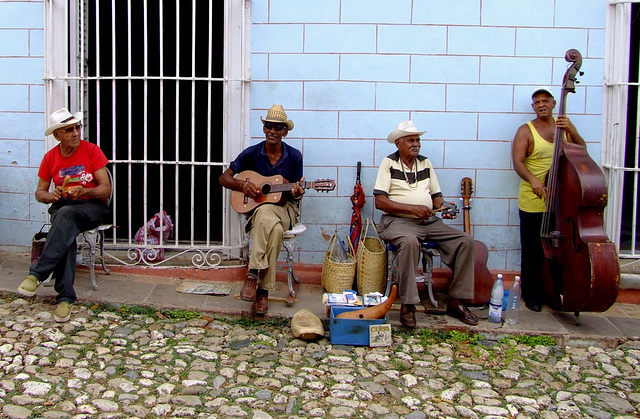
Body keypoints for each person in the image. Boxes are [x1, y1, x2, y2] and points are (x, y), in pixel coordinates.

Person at [374, 121, 478, 327]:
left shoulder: (425, 163)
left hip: (428, 221)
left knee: (466, 241)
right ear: (398, 143)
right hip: (398, 221)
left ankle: (457, 300)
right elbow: (380, 201)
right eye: (411, 140)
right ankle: (409, 305)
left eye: (418, 140)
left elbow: (437, 197)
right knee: (410, 242)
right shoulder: (389, 163)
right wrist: (412, 209)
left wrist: (445, 207)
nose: (416, 144)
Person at [18, 108, 112, 322]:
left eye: (77, 127)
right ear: (57, 135)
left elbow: (105, 189)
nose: (76, 133)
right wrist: (52, 195)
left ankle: (38, 273)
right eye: (69, 130)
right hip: (63, 208)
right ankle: (65, 299)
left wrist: (84, 190)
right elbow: (39, 193)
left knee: (65, 216)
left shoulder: (91, 151)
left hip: (91, 207)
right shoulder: (50, 158)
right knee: (65, 227)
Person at [219, 104, 305, 315]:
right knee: (271, 225)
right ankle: (263, 293)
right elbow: (224, 178)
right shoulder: (252, 153)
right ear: (264, 129)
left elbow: (297, 191)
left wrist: (298, 191)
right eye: (268, 126)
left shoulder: (294, 157)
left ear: (285, 132)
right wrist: (242, 185)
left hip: (285, 209)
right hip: (257, 211)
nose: (272, 131)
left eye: (277, 127)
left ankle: (253, 273)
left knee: (269, 216)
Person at [512, 87, 586, 312]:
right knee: (533, 248)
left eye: (545, 101)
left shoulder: (563, 127)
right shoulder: (526, 131)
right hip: (534, 197)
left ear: (554, 103)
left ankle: (556, 291)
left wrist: (571, 129)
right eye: (537, 102)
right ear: (533, 107)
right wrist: (534, 180)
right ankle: (531, 294)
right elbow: (517, 162)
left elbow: (581, 151)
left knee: (560, 250)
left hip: (562, 200)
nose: (541, 105)